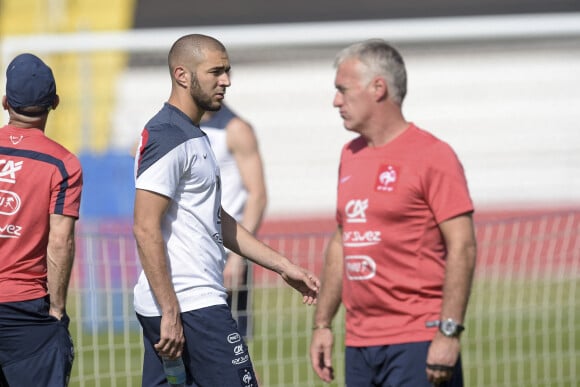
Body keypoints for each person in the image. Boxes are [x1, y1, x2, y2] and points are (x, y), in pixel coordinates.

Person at [132, 33, 320, 387]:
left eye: (227, 71)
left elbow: (215, 218)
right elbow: (144, 226)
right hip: (191, 304)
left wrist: (283, 266)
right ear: (182, 75)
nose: (226, 81)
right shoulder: (167, 135)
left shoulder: (192, 133)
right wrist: (170, 310)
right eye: (216, 71)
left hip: (187, 302)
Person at [309, 39, 477, 386]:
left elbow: (463, 246)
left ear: (378, 88)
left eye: (343, 90)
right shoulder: (350, 154)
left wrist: (449, 331)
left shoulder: (433, 155)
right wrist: (323, 324)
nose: (335, 101)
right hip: (359, 345)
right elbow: (343, 240)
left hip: (418, 339)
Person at [0, 53, 83, 386]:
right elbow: (60, 241)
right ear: (55, 103)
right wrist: (57, 310)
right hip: (25, 309)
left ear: (5, 102)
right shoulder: (63, 164)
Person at [201, 104, 267, 338]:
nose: (222, 81)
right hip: (191, 251)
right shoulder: (181, 126)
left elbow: (257, 195)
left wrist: (238, 256)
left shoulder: (235, 129)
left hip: (227, 250)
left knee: (234, 353)